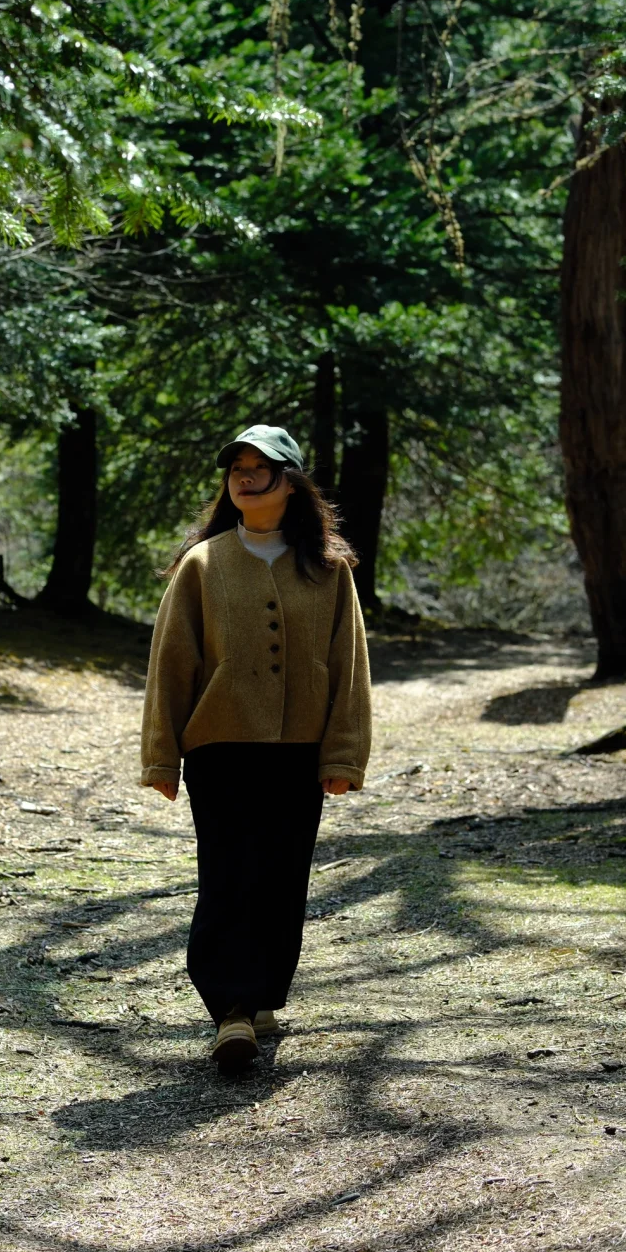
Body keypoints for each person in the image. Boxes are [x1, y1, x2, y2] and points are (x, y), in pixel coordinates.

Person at [140, 423, 372, 1070]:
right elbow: (171, 664)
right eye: (236, 469)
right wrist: (161, 756)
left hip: (298, 750)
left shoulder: (328, 569)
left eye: (259, 467)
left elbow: (348, 664)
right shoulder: (202, 564)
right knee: (228, 875)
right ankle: (232, 1010)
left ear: (289, 481)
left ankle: (263, 991)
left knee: (282, 877)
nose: (244, 477)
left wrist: (343, 754)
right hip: (219, 750)